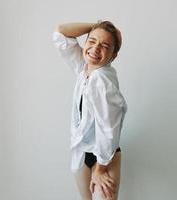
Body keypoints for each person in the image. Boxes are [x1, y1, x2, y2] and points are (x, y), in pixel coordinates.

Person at [52, 21, 127, 200]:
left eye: (105, 45)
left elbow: (110, 129)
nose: (95, 48)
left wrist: (100, 168)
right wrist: (96, 25)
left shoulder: (102, 79)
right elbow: (61, 33)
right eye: (91, 41)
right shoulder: (85, 68)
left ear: (113, 55)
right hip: (81, 152)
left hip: (104, 158)